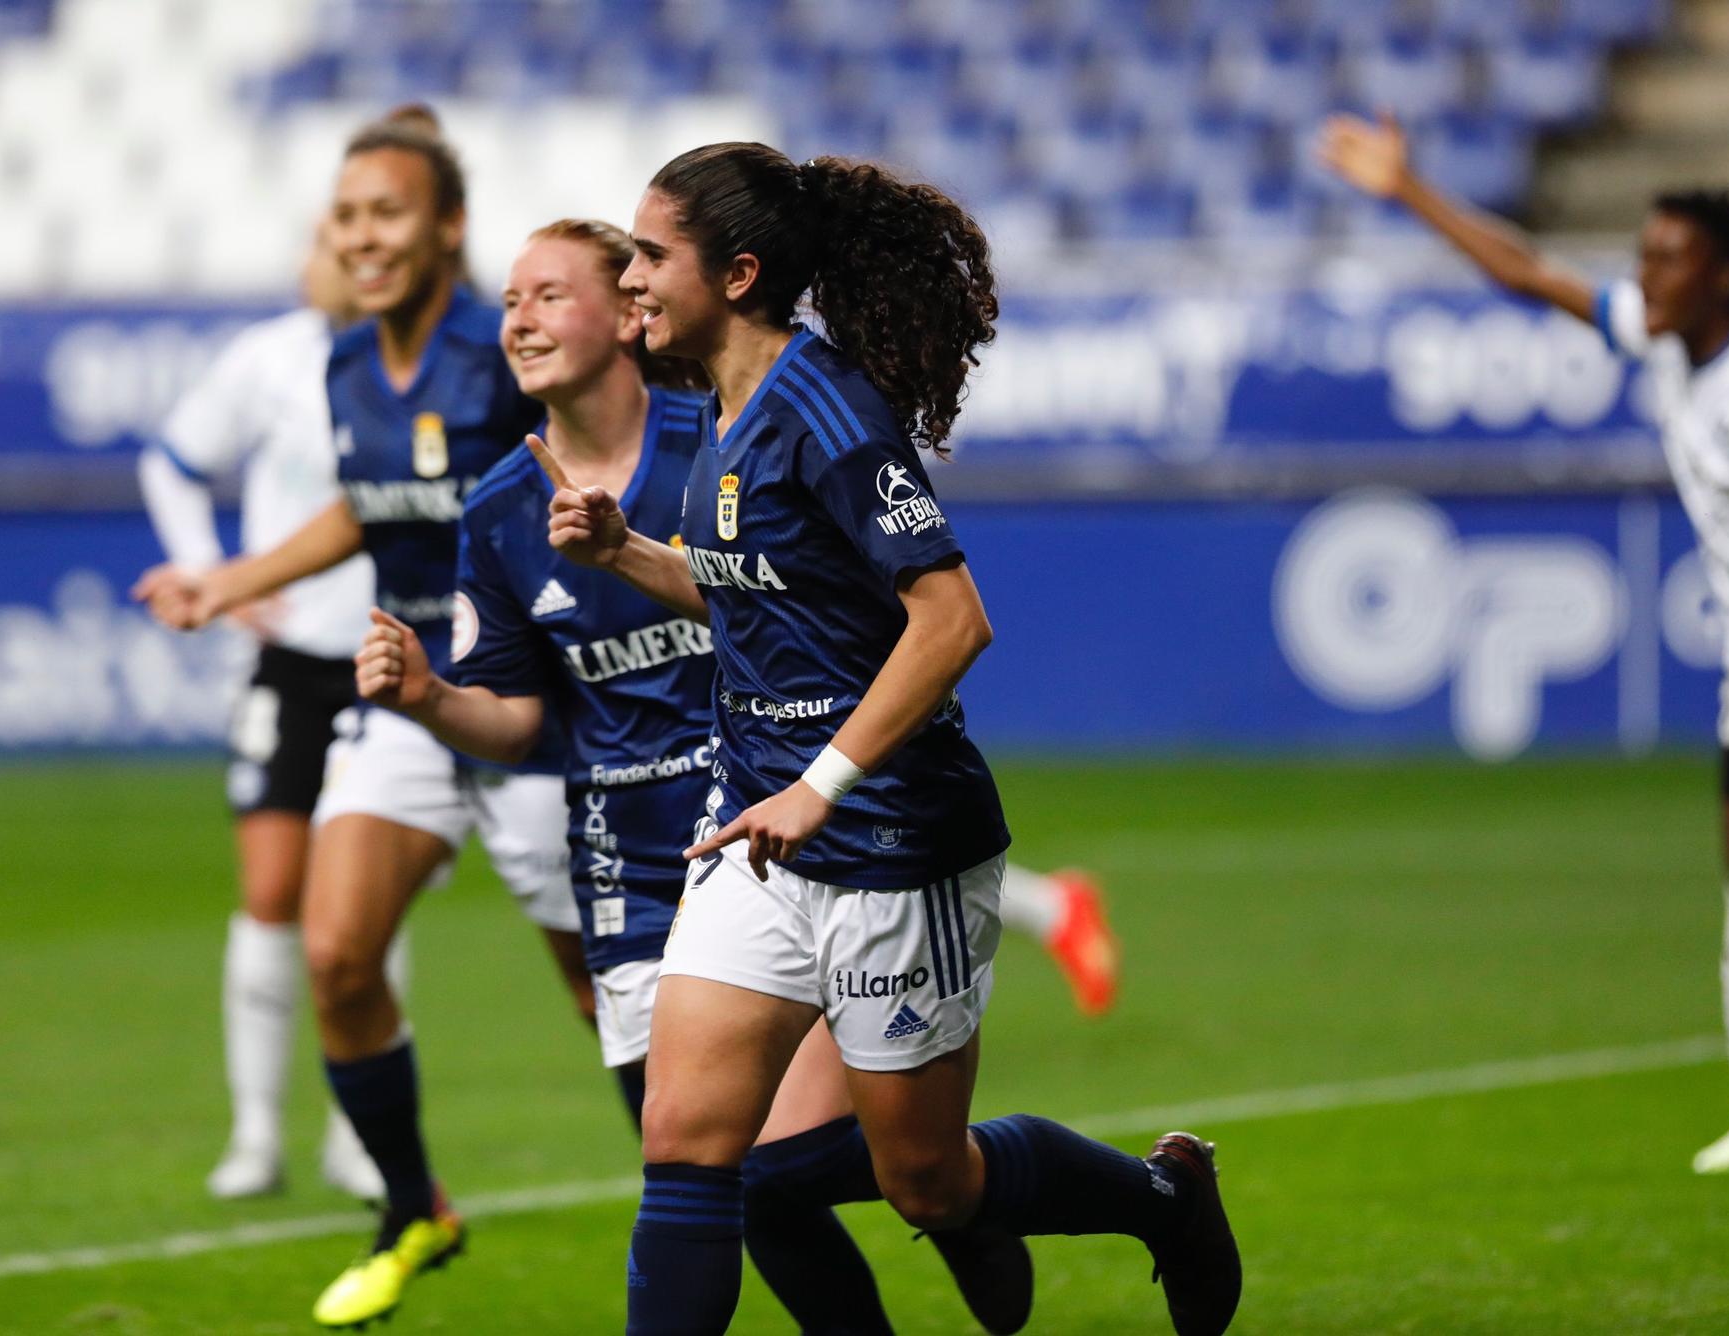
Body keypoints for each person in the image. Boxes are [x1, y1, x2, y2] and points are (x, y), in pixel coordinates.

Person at [543, 142, 1241, 1336]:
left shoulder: (826, 412)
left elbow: (951, 616)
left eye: (652, 256)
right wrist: (627, 556)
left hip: (893, 843)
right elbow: (768, 595)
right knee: (687, 1148)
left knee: (927, 1176)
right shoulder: (721, 407)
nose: (632, 281)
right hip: (757, 839)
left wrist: (824, 781)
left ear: (741, 271)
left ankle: (1166, 1198)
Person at [356, 215, 1034, 1336]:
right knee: (712, 1179)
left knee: (797, 1167)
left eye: (551, 293)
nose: (517, 318)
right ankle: (951, 1189)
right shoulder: (497, 512)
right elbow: (521, 725)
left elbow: (900, 613)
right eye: (510, 300)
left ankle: (960, 1190)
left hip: (792, 836)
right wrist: (428, 696)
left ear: (627, 316)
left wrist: (824, 768)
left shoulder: (724, 426)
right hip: (635, 877)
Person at [1318, 113, 1729, 1174]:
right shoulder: (1658, 339)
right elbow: (1526, 274)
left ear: (1726, 276)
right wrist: (1410, 190)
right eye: (1644, 256)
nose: (1645, 273)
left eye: (1669, 258)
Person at [132, 112, 593, 1329]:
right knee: (335, 951)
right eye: (345, 216)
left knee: (607, 995)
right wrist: (230, 580)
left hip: (524, 692)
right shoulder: (346, 362)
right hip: (397, 686)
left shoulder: (501, 350)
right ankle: (412, 1209)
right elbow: (370, 503)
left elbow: (590, 465)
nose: (362, 236)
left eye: (386, 212)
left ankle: (719, 1190)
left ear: (447, 226)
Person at [137, 221, 389, 1203]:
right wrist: (214, 574)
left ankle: (358, 1131)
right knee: (274, 888)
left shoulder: (412, 362)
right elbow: (172, 459)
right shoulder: (268, 357)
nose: (314, 262)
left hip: (381, 658)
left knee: (367, 894)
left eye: (333, 244)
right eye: (321, 242)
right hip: (285, 660)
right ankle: (254, 1132)